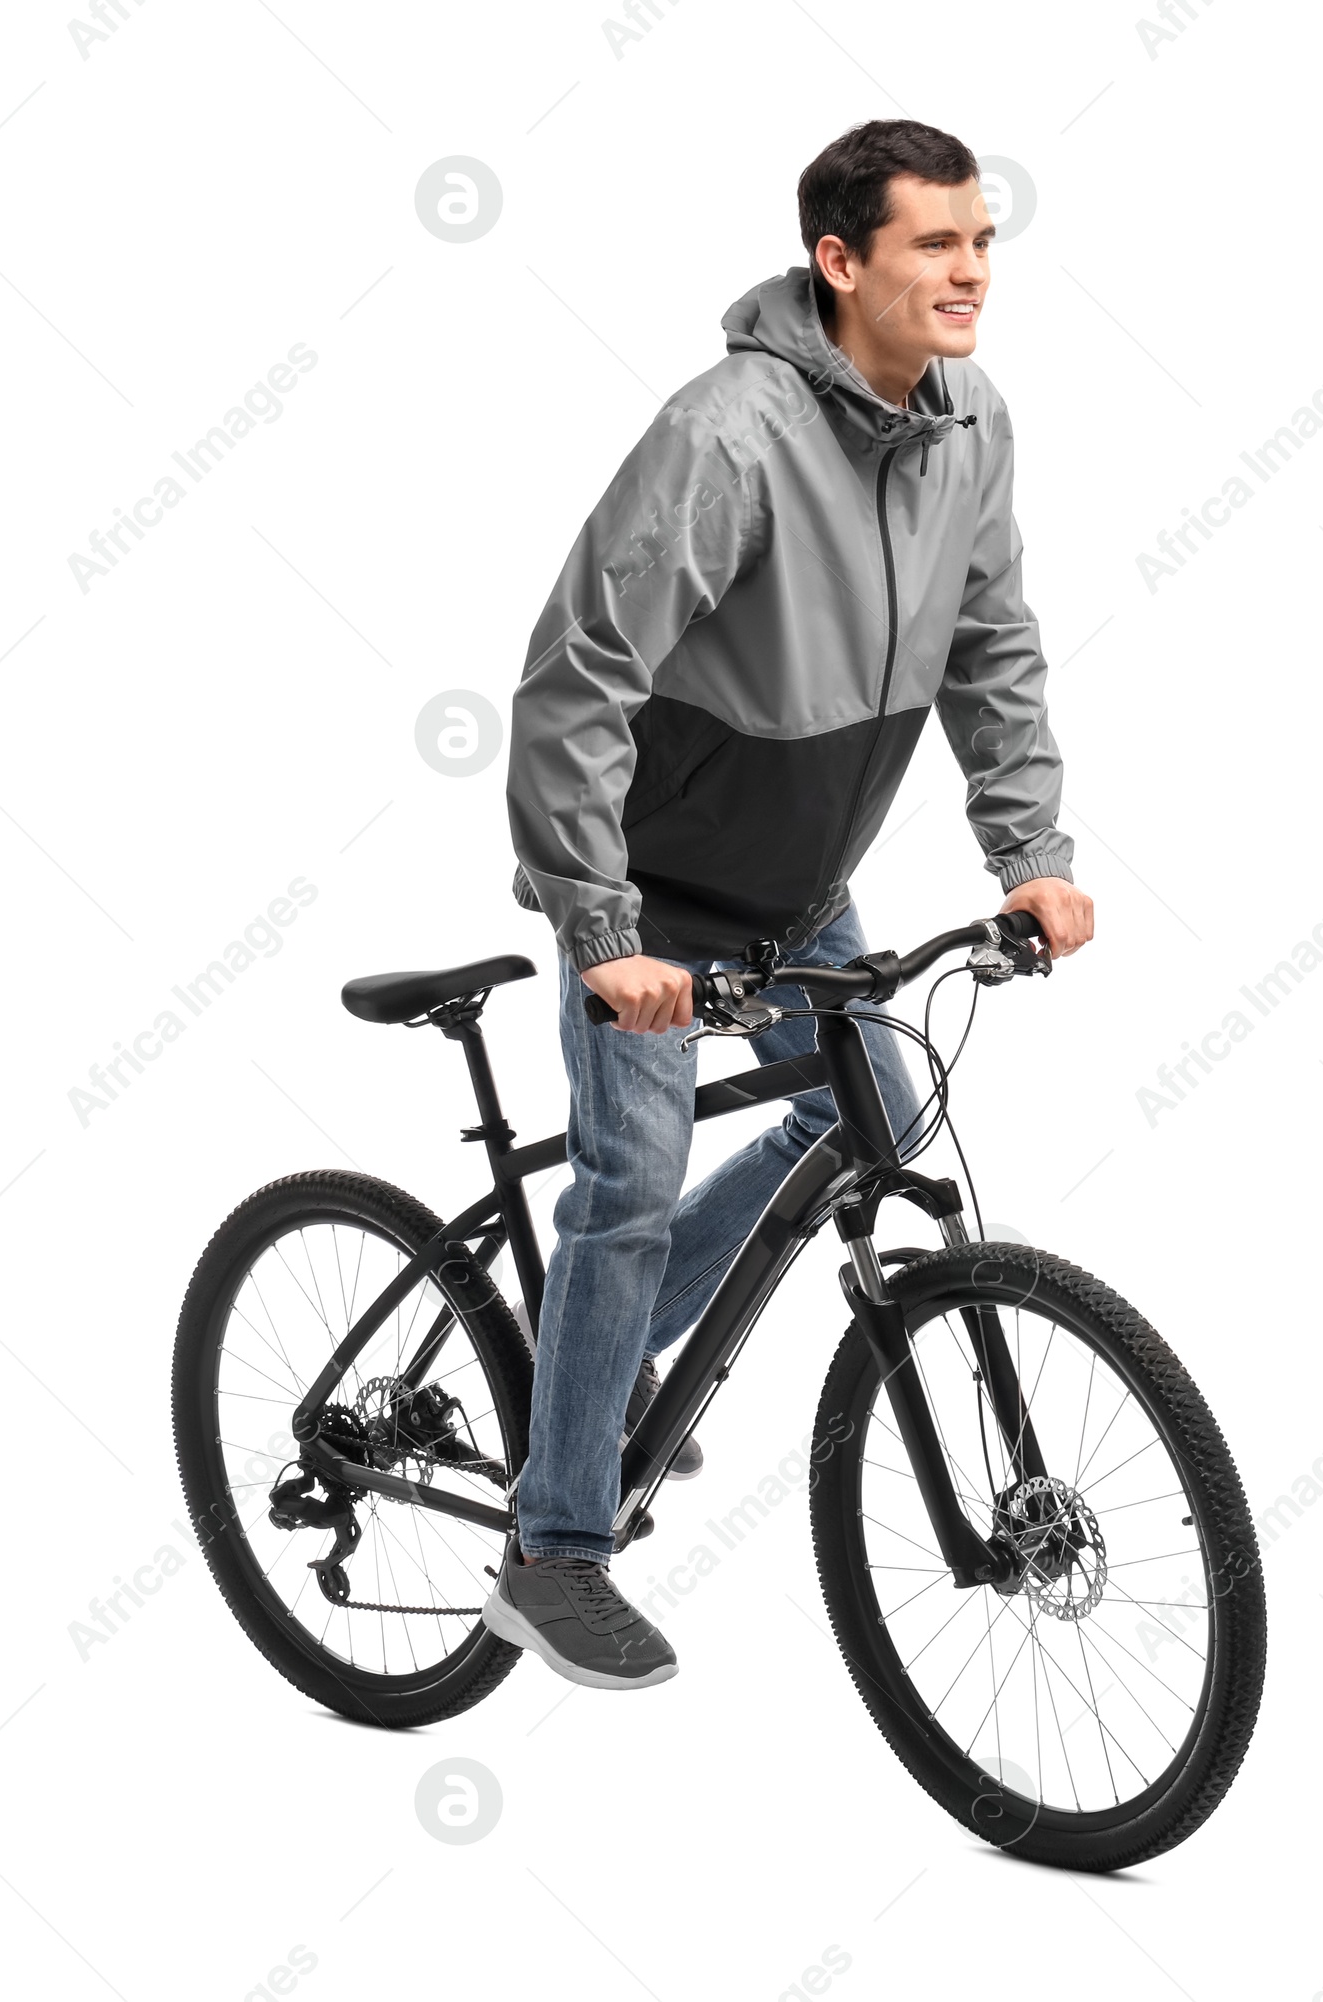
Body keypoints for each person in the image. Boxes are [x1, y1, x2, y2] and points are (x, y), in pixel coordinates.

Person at [481, 118, 1094, 1690]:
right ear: (841, 263)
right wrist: (605, 937)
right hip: (651, 883)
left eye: (981, 243)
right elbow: (573, 688)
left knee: (866, 1121)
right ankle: (557, 1546)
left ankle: (590, 1372)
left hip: (802, 887)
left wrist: (1027, 847)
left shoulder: (971, 424)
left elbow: (993, 645)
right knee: (630, 1184)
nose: (969, 275)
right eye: (933, 246)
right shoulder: (729, 435)